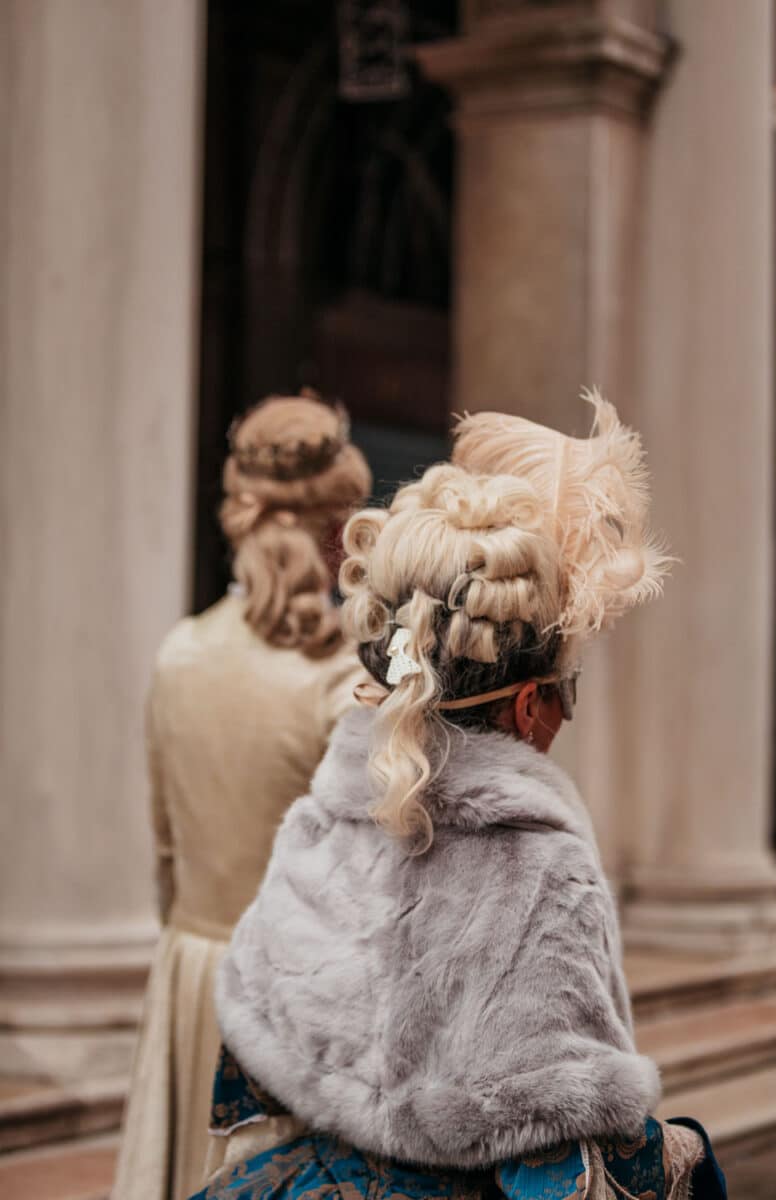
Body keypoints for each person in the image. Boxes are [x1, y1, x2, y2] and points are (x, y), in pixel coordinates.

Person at [199, 399, 726, 1199]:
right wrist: (682, 1157)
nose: (561, 713)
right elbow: (561, 1159)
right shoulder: (540, 869)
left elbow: (258, 1059)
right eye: (564, 693)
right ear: (528, 707)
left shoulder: (317, 824)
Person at [111, 393, 372, 1200]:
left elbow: (165, 853)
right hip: (289, 1003)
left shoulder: (178, 654)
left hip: (190, 980)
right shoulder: (343, 683)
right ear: (339, 530)